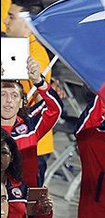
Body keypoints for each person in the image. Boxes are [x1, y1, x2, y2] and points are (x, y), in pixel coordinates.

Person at [1, 57, 62, 218]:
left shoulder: (30, 128)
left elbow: (55, 109)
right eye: (2, 95)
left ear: (21, 102)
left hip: (28, 215)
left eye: (14, 96)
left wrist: (38, 81)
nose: (8, 101)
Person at [5, 0, 56, 179]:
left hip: (27, 146)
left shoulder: (34, 59)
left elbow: (37, 105)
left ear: (28, 23)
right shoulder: (17, 49)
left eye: (11, 17)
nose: (5, 21)